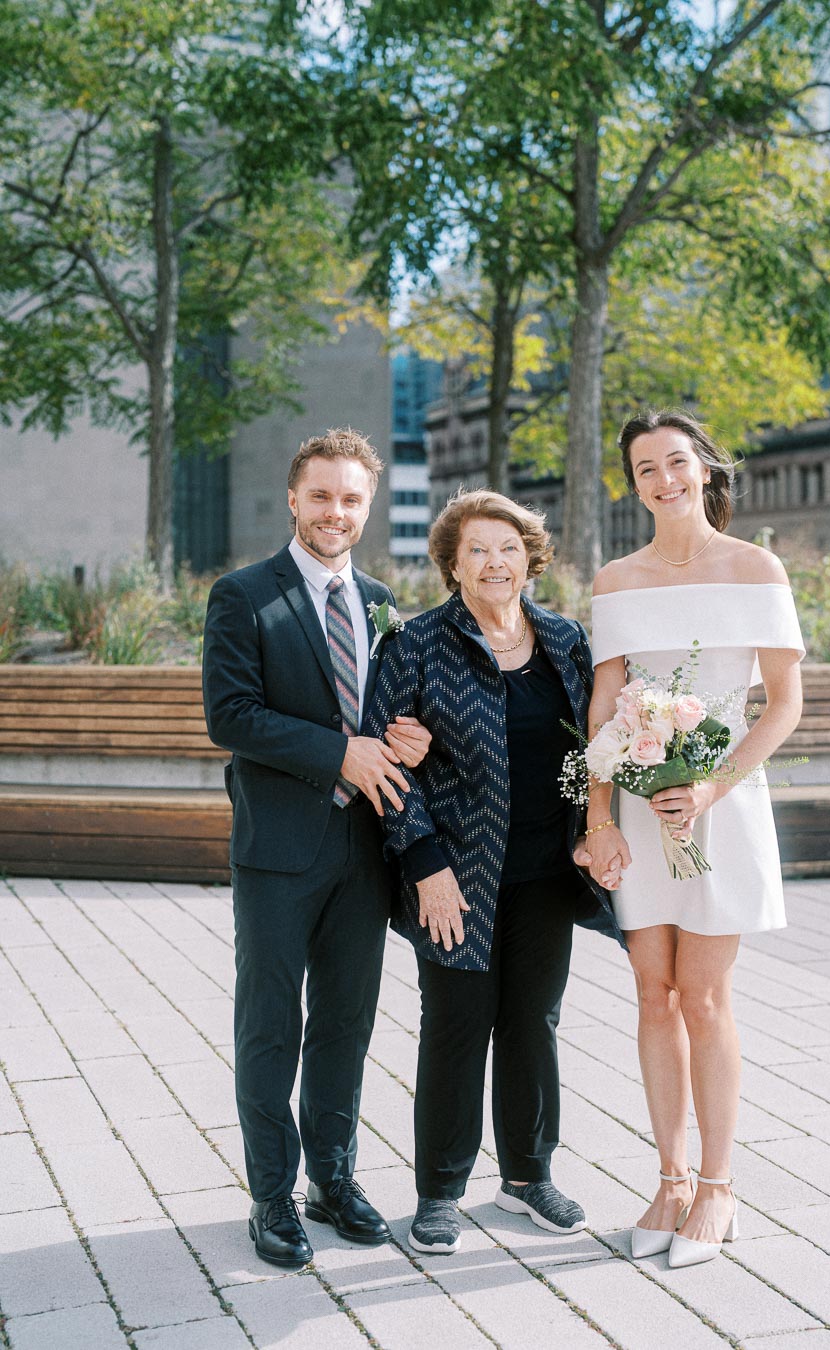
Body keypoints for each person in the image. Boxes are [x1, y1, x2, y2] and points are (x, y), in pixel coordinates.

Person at [364, 489, 625, 1255]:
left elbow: (594, 744)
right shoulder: (414, 645)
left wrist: (596, 828)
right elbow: (385, 766)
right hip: (457, 877)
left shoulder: (565, 641)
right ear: (451, 564)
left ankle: (527, 1177)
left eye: (507, 547)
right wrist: (424, 863)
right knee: (454, 1026)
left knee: (532, 1023)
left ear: (530, 557)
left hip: (549, 872)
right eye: (476, 549)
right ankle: (440, 1192)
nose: (495, 561)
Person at [577, 408, 804, 1269]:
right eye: (645, 469)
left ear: (706, 470)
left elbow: (782, 703)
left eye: (677, 463)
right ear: (633, 485)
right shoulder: (616, 579)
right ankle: (668, 1182)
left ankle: (718, 1189)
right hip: (636, 803)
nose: (664, 480)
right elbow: (604, 706)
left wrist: (713, 784)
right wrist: (598, 820)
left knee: (703, 997)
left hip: (723, 802)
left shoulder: (757, 568)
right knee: (650, 992)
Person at [202, 428, 431, 1268]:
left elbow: (388, 715)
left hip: (364, 850)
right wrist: (340, 752)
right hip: (278, 850)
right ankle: (273, 1199)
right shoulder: (243, 594)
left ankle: (334, 1179)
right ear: (295, 498)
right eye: (323, 496)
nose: (337, 512)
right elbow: (231, 715)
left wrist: (407, 738)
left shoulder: (382, 601)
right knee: (270, 1026)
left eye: (352, 499)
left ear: (367, 509)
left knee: (345, 1023)